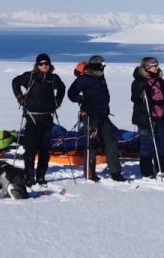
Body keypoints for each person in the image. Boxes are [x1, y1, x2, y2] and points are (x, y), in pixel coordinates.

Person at [11, 52, 66, 186]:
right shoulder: (30, 77)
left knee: (45, 150)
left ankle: (41, 177)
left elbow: (62, 88)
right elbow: (15, 82)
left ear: (50, 64)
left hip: (47, 118)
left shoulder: (53, 78)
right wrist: (20, 97)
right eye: (41, 63)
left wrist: (57, 102)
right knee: (30, 149)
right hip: (32, 118)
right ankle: (29, 177)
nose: (44, 66)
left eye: (46, 63)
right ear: (37, 65)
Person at [67, 55, 123, 181]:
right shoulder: (84, 79)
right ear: (95, 64)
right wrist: (81, 99)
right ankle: (90, 173)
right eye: (102, 63)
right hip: (90, 116)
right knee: (91, 144)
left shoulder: (100, 76)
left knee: (111, 142)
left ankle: (116, 173)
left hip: (103, 115)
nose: (104, 65)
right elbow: (71, 94)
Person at [130, 57, 164, 179]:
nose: (156, 67)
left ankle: (163, 170)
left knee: (161, 145)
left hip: (160, 117)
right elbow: (135, 99)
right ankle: (147, 172)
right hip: (146, 118)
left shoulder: (160, 81)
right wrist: (141, 88)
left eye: (156, 64)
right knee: (147, 145)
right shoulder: (138, 81)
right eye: (153, 65)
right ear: (146, 67)